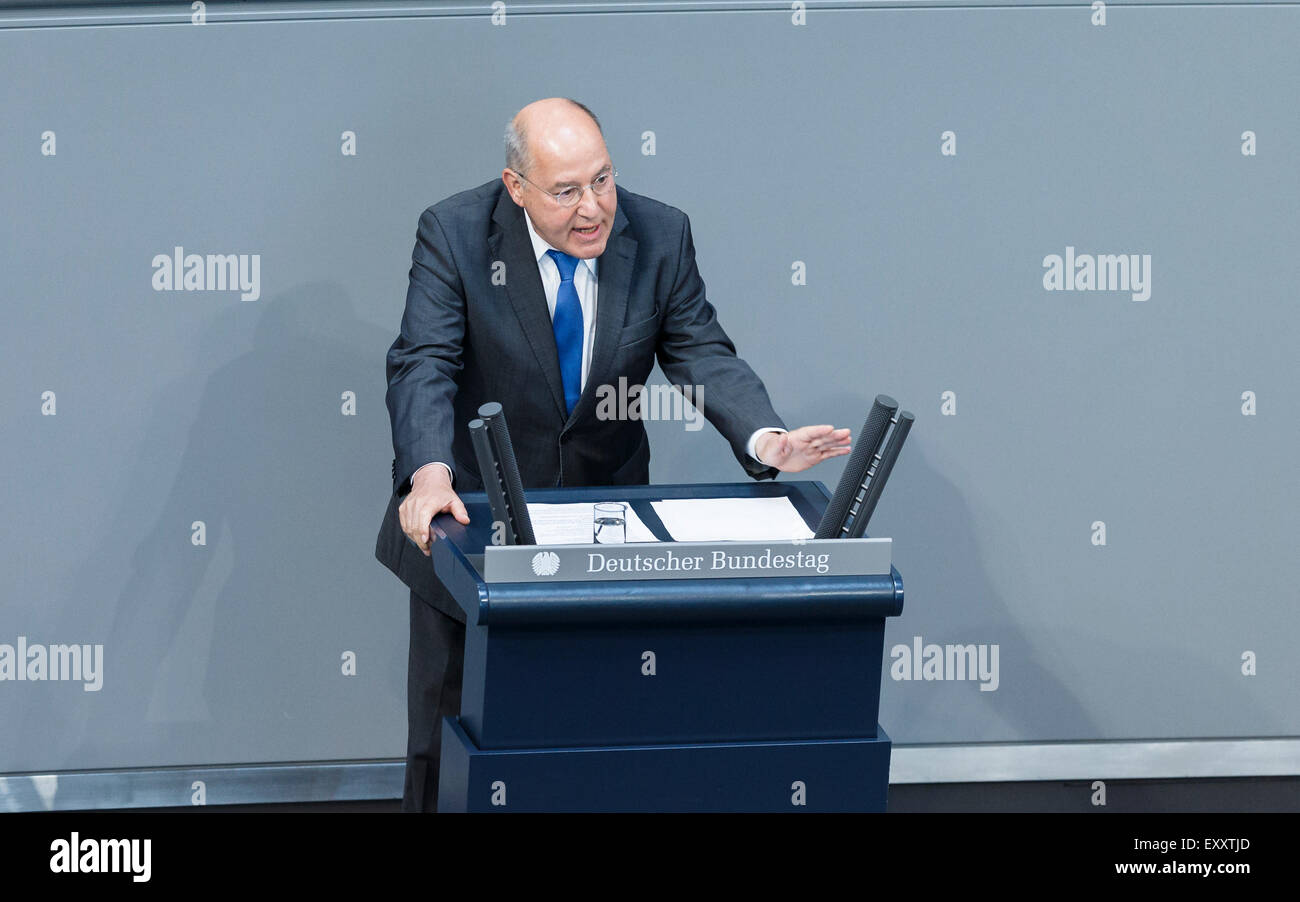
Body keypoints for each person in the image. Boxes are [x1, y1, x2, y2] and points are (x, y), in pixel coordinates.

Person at [375, 97, 851, 812]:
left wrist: (765, 439)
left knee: (593, 739)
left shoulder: (659, 235)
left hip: (602, 539)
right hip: (471, 523)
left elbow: (701, 353)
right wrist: (430, 472)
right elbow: (424, 362)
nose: (594, 208)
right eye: (566, 191)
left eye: (602, 180)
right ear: (516, 188)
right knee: (448, 746)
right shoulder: (454, 234)